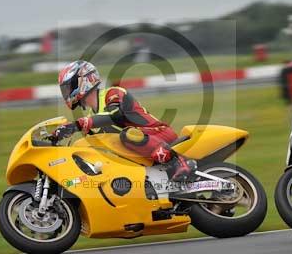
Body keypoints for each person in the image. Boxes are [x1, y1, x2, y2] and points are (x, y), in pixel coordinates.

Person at [53, 60, 196, 181]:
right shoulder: (92, 118)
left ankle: (180, 162)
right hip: (139, 152)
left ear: (83, 80)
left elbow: (116, 115)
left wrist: (78, 124)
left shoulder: (113, 93)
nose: (66, 93)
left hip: (158, 133)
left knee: (128, 135)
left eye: (69, 87)